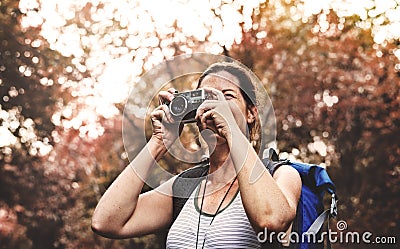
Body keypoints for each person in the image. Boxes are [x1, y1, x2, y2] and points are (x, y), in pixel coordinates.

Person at [91, 61, 302, 248]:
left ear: (250, 113)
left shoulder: (281, 174)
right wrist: (158, 143)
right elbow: (106, 222)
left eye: (227, 96)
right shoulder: (185, 187)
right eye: (207, 98)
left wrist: (231, 130)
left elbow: (271, 221)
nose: (214, 106)